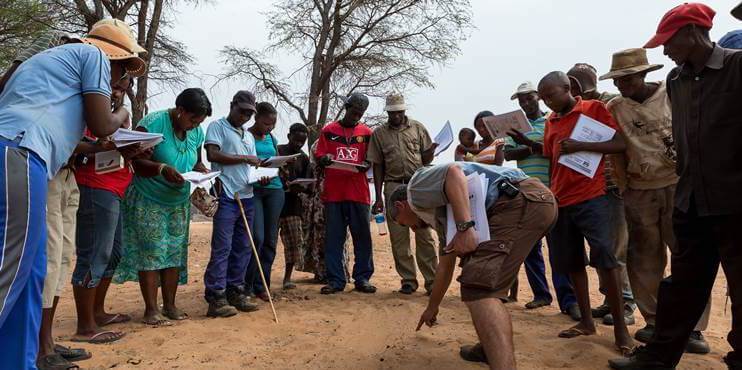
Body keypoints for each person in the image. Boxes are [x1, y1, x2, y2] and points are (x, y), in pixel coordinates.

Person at [0, 21, 144, 369]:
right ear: (115, 58)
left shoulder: (44, 66)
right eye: (123, 73)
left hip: (24, 156)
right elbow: (103, 125)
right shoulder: (92, 54)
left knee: (32, 271)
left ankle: (19, 361)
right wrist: (123, 112)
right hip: (21, 151)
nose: (120, 82)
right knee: (12, 268)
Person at [610, 3, 742, 369]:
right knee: (682, 285)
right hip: (691, 201)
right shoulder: (677, 80)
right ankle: (657, 357)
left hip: (734, 203)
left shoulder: (735, 66)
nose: (665, 50)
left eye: (669, 41)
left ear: (692, 33)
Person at [510, 71, 632, 354]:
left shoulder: (593, 109)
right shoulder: (551, 121)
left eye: (551, 95)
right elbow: (553, 155)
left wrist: (582, 145)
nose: (548, 102)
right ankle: (587, 322)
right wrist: (529, 144)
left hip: (593, 196)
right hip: (561, 199)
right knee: (573, 261)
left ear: (568, 88)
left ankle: (621, 332)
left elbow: (619, 144)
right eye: (545, 97)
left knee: (606, 260)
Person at [392, 162, 556, 369]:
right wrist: (431, 308)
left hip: (518, 201)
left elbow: (453, 173)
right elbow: (446, 264)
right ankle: (489, 347)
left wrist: (464, 227)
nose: (412, 229)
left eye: (403, 223)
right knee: (485, 280)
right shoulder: (442, 215)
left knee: (479, 289)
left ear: (400, 206)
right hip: (537, 202)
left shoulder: (415, 190)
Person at [600, 47, 711, 355]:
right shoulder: (615, 108)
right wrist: (624, 187)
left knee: (687, 255)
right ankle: (654, 320)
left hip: (679, 184)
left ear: (644, 74)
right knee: (644, 257)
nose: (623, 85)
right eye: (618, 80)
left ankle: (694, 328)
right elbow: (616, 150)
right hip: (640, 189)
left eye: (629, 78)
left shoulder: (671, 92)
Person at [114, 88, 210, 326]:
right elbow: (133, 157)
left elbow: (196, 160)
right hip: (149, 198)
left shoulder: (196, 131)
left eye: (199, 121)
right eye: (193, 119)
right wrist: (161, 168)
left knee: (174, 253)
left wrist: (201, 171)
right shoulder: (153, 123)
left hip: (177, 201)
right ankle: (150, 309)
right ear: (180, 111)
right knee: (152, 252)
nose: (195, 125)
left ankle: (170, 304)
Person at [567, 63, 636, 326]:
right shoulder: (578, 109)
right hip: (591, 187)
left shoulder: (609, 103)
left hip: (614, 185)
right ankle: (611, 300)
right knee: (602, 251)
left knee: (617, 249)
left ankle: (626, 303)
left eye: (575, 85)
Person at [503, 81, 579, 317]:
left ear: (538, 97)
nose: (526, 103)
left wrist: (530, 146)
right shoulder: (515, 127)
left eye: (529, 98)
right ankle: (541, 295)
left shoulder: (551, 120)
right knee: (529, 249)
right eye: (521, 100)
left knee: (558, 248)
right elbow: (507, 153)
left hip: (553, 190)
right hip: (526, 193)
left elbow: (556, 150)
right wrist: (532, 148)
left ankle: (568, 301)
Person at [368, 94, 439, 295]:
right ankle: (408, 280)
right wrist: (380, 196)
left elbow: (425, 159)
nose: (397, 116)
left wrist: (431, 151)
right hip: (392, 187)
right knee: (399, 238)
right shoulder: (379, 134)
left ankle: (432, 281)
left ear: (404, 111)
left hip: (417, 185)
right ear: (388, 113)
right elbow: (378, 165)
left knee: (425, 235)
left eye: (400, 112)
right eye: (393, 113)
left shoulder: (418, 128)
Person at [202, 91, 261, 318]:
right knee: (223, 247)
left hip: (247, 194)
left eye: (249, 113)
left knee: (243, 246)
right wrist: (245, 159)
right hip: (227, 193)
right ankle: (216, 295)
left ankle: (235, 290)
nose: (245, 116)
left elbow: (252, 165)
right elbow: (213, 154)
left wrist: (261, 172)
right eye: (242, 111)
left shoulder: (248, 136)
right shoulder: (217, 127)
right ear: (232, 105)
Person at [315, 93, 375, 295]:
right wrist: (324, 159)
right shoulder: (329, 130)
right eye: (353, 112)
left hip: (359, 193)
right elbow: (320, 154)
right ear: (346, 107)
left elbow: (372, 160)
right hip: (334, 194)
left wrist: (367, 164)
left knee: (363, 238)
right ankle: (335, 280)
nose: (356, 117)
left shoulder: (367, 133)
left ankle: (363, 278)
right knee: (334, 238)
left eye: (360, 114)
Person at [244, 102, 284, 301]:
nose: (270, 127)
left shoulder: (271, 138)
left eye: (273, 124)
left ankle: (262, 285)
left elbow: (275, 159)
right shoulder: (245, 136)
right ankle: (247, 284)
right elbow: (243, 164)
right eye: (267, 123)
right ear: (256, 118)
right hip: (255, 190)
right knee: (257, 238)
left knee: (270, 240)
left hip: (275, 189)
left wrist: (280, 165)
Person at [277, 123, 310, 290]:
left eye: (302, 142)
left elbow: (308, 183)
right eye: (296, 140)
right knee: (265, 242)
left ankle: (287, 278)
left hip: (293, 204)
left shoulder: (304, 158)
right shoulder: (278, 151)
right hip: (274, 202)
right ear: (289, 136)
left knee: (294, 242)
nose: (298, 144)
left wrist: (301, 187)